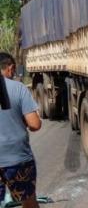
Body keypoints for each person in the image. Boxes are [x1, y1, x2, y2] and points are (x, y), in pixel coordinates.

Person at [0, 52, 41, 208]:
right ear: (10, 68)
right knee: (29, 201)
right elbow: (35, 124)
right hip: (17, 159)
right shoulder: (18, 88)